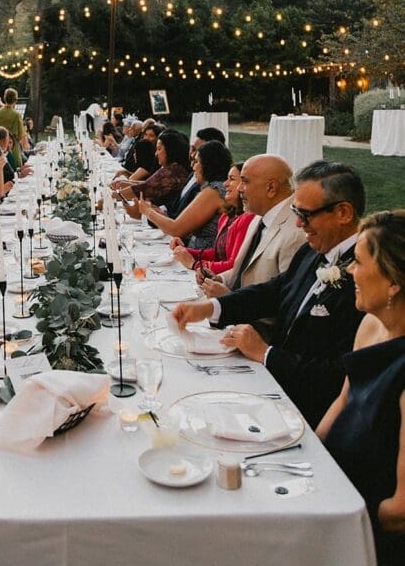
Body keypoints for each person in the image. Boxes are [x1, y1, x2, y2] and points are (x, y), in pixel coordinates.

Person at [172, 160, 366, 427]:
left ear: (343, 213)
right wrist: (212, 307)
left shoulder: (364, 277)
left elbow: (337, 374)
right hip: (272, 384)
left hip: (307, 410)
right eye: (296, 211)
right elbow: (274, 291)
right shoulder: (314, 251)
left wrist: (266, 353)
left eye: (306, 214)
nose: (298, 223)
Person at [317, 210, 405, 565]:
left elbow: (401, 511)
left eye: (360, 262)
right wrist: (307, 459)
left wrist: (335, 518)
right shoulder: (370, 325)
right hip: (332, 492)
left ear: (393, 282)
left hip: (368, 537)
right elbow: (343, 400)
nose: (350, 270)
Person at [201, 153, 306, 300]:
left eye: (245, 182)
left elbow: (285, 300)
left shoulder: (295, 233)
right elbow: (246, 270)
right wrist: (220, 279)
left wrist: (231, 299)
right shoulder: (260, 215)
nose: (239, 189)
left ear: (271, 188)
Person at [138, 140, 232, 249]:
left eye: (196, 162)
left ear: (207, 165)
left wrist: (147, 211)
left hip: (200, 259)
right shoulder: (216, 188)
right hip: (193, 252)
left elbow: (176, 229)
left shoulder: (213, 191)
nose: (193, 167)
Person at [172, 162, 254, 275]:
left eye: (232, 179)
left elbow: (232, 266)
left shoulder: (248, 219)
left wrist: (194, 264)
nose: (225, 184)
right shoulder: (227, 216)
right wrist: (186, 251)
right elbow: (217, 254)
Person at [118, 130, 191, 220]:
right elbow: (149, 184)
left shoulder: (172, 171)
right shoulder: (177, 168)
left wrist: (109, 198)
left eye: (159, 149)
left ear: (170, 151)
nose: (156, 154)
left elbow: (143, 188)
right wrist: (126, 183)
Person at [168, 127, 226, 217]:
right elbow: (177, 206)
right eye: (192, 148)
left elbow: (179, 225)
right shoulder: (193, 173)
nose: (192, 154)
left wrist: (150, 212)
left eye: (197, 151)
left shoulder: (213, 187)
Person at [0, 89, 28, 168]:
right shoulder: (16, 114)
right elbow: (21, 134)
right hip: (13, 148)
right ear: (15, 100)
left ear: (5, 98)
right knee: (16, 170)